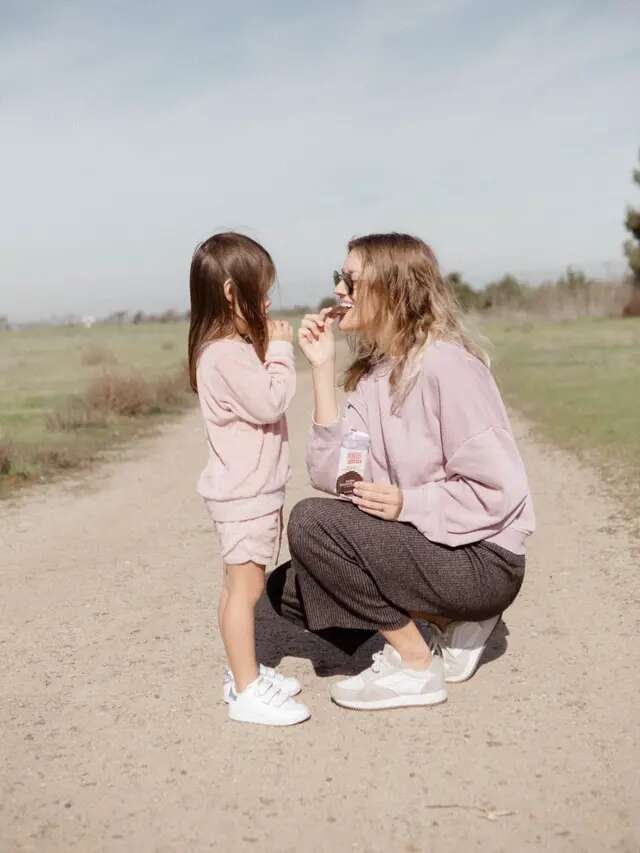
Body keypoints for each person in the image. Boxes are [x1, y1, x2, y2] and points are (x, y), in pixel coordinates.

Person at [267, 232, 535, 711]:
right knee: (290, 589)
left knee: (311, 522)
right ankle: (440, 624)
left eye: (350, 279)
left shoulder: (448, 366)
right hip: (431, 548)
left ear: (392, 288)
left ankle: (415, 665)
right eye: (339, 278)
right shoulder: (374, 377)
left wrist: (408, 502)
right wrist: (323, 370)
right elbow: (335, 476)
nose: (339, 290)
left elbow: (500, 490)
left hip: (482, 560)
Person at [188, 232, 310, 726]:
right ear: (231, 294)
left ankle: (244, 671)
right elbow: (271, 400)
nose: (266, 304)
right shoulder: (227, 355)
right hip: (247, 496)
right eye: (261, 294)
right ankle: (247, 689)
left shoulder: (222, 349)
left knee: (234, 586)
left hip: (241, 493)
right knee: (247, 590)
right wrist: (281, 350)